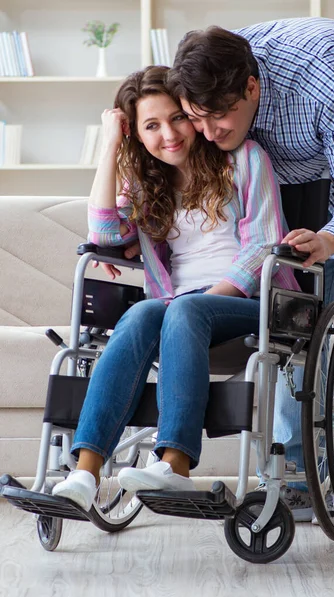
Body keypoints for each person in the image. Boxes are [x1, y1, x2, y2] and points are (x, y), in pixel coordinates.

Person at [166, 18, 334, 521]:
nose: (207, 133)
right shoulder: (211, 80)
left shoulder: (325, 85)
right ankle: (294, 474)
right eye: (196, 119)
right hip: (296, 163)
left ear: (251, 86)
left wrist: (331, 237)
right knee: (293, 316)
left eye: (218, 118)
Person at [51, 65, 299, 511]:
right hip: (177, 312)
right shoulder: (149, 185)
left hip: (253, 305)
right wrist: (110, 141)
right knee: (144, 312)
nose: (169, 133)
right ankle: (85, 473)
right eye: (151, 125)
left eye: (176, 118)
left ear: (192, 113)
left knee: (180, 310)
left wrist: (198, 302)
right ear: (138, 137)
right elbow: (105, 233)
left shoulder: (245, 159)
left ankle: (176, 464)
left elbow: (263, 246)